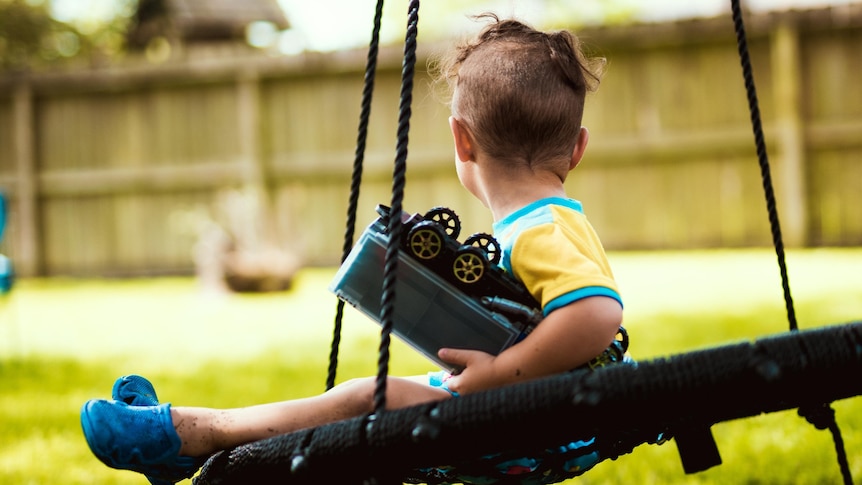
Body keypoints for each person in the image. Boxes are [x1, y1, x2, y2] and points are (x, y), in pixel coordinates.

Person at [80, 14, 623, 485]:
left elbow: (597, 314)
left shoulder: (543, 228)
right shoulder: (537, 226)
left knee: (366, 397)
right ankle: (190, 437)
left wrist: (500, 377)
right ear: (578, 148)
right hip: (534, 418)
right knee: (363, 397)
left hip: (540, 429)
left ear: (461, 140)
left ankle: (192, 434)